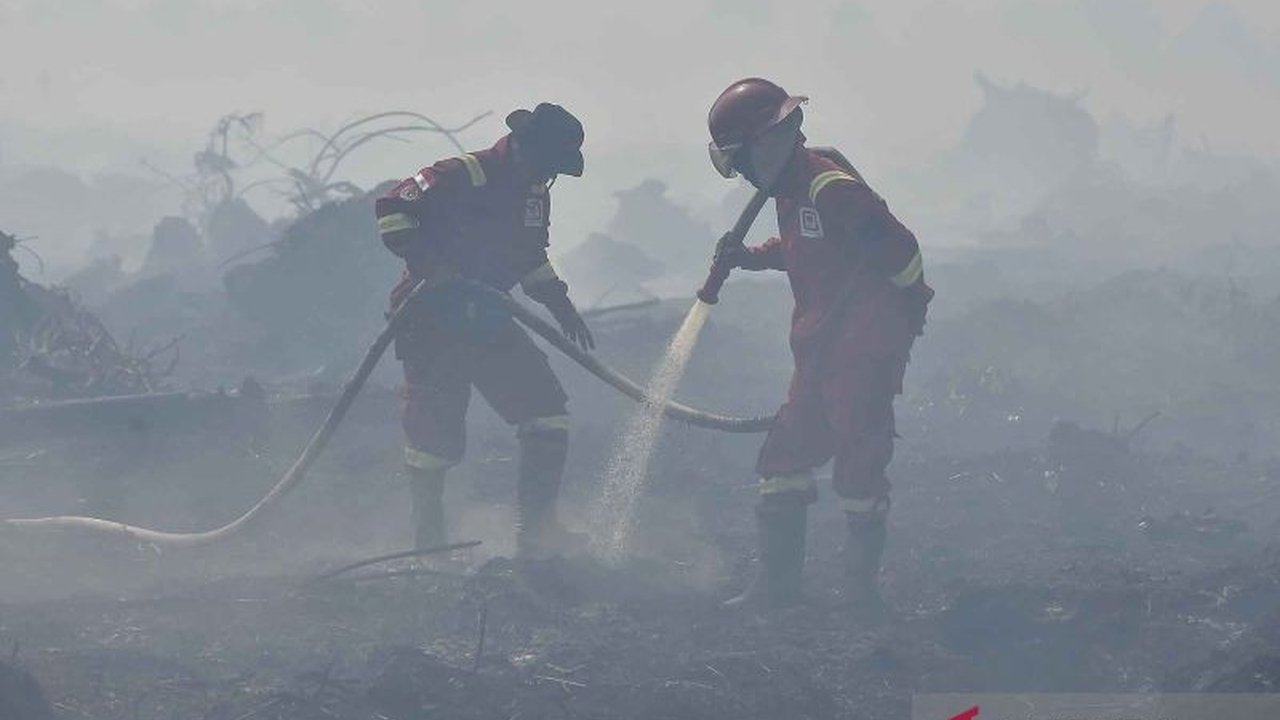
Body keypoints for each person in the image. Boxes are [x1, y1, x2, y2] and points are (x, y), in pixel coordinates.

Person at [705, 78, 933, 612]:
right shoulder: (793, 187)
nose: (741, 175)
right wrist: (750, 258)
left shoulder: (828, 186)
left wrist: (905, 311)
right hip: (820, 345)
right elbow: (810, 247)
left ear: (768, 142)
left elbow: (900, 252)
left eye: (741, 161)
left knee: (859, 460)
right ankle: (778, 589)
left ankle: (860, 597)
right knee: (783, 457)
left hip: (861, 346)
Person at [374, 103, 595, 559]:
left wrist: (562, 306)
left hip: (487, 317)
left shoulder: (535, 192)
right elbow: (393, 211)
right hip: (430, 320)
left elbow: (530, 259)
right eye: (544, 165)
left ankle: (537, 534)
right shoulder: (460, 174)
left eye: (553, 171)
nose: (546, 176)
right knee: (433, 439)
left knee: (547, 413)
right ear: (521, 147)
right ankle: (429, 547)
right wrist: (433, 268)